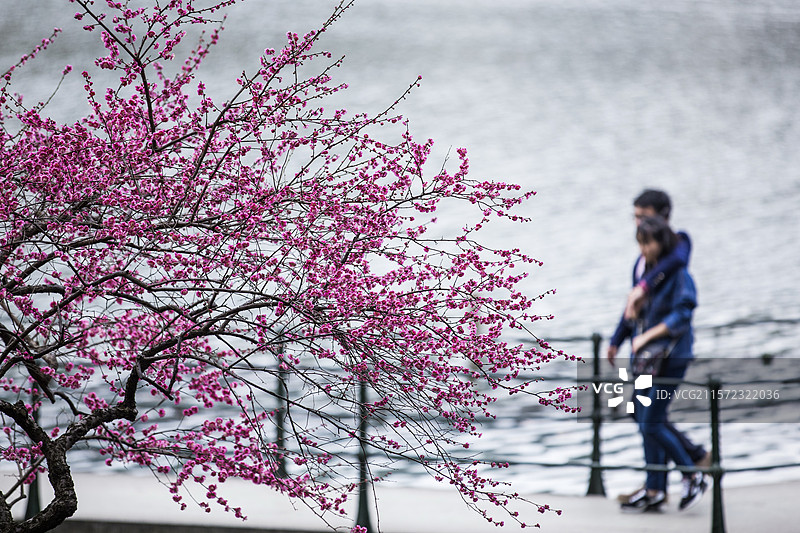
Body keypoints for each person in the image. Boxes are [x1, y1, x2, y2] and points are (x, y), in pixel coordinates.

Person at [607, 190, 708, 507]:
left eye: (645, 217)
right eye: (636, 218)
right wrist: (616, 339)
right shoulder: (642, 265)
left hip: (668, 355)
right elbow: (633, 308)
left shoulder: (677, 263)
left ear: (662, 219)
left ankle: (690, 472)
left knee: (651, 419)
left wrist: (645, 337)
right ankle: (656, 487)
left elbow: (682, 313)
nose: (639, 224)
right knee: (641, 414)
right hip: (646, 359)